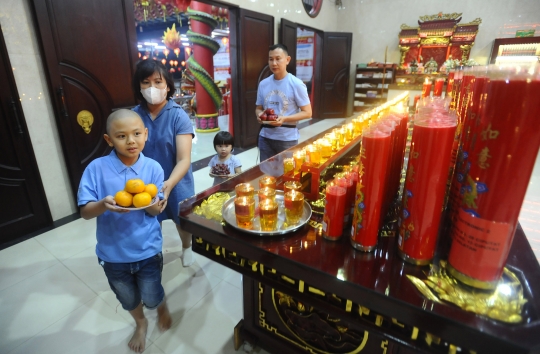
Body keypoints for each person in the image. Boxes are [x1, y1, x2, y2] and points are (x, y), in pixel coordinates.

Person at [78, 109, 171, 353]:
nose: (131, 141)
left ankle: (160, 306)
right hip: (113, 254)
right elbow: (85, 212)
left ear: (146, 134)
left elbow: (153, 210)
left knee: (152, 294)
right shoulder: (96, 169)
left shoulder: (153, 168)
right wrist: (102, 205)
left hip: (147, 248)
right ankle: (140, 323)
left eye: (137, 133)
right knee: (128, 298)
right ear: (109, 140)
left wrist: (156, 206)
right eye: (121, 136)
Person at [132, 59, 196, 267]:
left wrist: (168, 184)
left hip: (176, 179)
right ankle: (154, 253)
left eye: (158, 82)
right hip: (145, 181)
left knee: (182, 219)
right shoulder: (134, 116)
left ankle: (187, 247)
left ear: (168, 86)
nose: (152, 88)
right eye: (146, 82)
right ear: (139, 86)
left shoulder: (178, 115)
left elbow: (183, 159)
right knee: (150, 221)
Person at [256, 44, 312, 162]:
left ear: (287, 60)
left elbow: (308, 113)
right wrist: (259, 115)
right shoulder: (263, 84)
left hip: (287, 139)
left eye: (278, 58)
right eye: (271, 59)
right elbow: (258, 107)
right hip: (265, 137)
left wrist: (284, 119)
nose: (274, 63)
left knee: (287, 174)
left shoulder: (296, 84)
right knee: (266, 174)